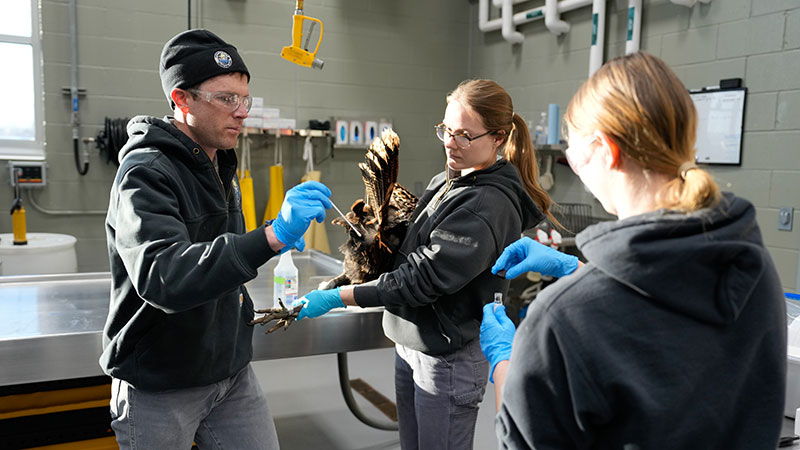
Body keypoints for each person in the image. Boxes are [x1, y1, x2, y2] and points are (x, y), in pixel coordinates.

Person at [480, 51, 787, 449]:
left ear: (607, 151)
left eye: (574, 154)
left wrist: (508, 361)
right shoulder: (755, 268)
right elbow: (659, 309)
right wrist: (576, 271)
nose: (573, 166)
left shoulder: (559, 321)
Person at [101, 29, 332, 449]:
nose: (242, 112)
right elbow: (165, 276)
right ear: (181, 99)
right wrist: (271, 236)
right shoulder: (145, 173)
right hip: (161, 381)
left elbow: (213, 249)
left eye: (245, 99)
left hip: (230, 371)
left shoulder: (220, 160)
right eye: (226, 99)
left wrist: (274, 233)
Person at [294, 79, 556, 449]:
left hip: (447, 359)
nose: (450, 142)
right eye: (446, 130)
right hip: (413, 344)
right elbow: (406, 256)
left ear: (497, 139)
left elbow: (423, 277)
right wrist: (350, 271)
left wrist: (343, 298)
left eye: (464, 135)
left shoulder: (487, 205)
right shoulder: (446, 180)